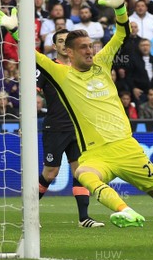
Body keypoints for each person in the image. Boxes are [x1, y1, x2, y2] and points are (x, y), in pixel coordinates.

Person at [0, 0, 153, 245]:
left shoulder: (102, 63)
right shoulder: (61, 74)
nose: (89, 50)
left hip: (128, 148)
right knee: (83, 173)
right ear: (68, 52)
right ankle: (125, 211)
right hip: (96, 153)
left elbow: (121, 35)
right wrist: (15, 30)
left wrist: (120, 9)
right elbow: (32, 53)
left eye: (91, 45)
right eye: (83, 47)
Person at [36, 28, 104, 228]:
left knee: (81, 171)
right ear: (55, 46)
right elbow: (32, 92)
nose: (64, 45)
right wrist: (26, 120)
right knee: (50, 173)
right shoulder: (48, 67)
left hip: (79, 129)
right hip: (55, 127)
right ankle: (30, 213)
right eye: (60, 41)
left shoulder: (80, 68)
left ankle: (84, 218)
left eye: (67, 41)